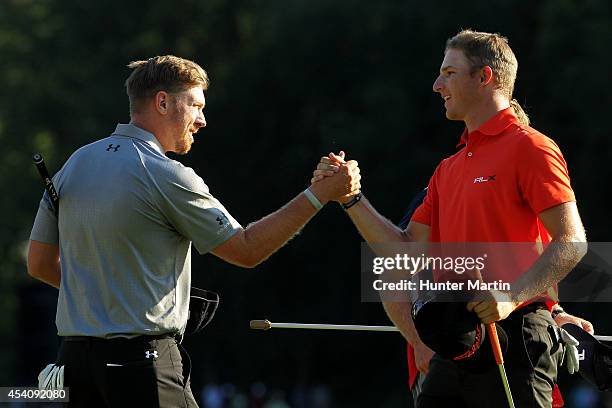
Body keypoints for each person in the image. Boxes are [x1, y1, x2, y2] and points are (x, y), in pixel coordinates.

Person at [27, 55, 360, 407]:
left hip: (74, 365)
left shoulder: (74, 163)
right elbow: (246, 249)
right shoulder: (165, 173)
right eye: (196, 106)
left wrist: (108, 291)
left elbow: (39, 265)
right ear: (163, 101)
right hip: (142, 365)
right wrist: (321, 194)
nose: (202, 120)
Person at [313, 29, 587, 407]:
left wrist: (510, 296)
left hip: (516, 334)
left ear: (484, 76)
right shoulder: (448, 169)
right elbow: (404, 253)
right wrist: (350, 198)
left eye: (449, 73)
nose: (436, 84)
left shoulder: (532, 147)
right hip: (454, 339)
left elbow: (571, 242)